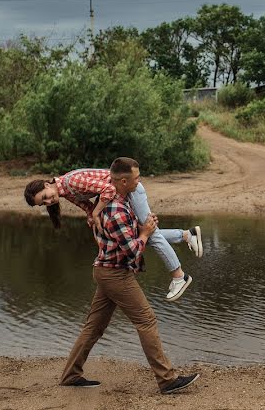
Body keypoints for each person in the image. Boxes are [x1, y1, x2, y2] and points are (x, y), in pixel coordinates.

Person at [59, 157, 199, 394]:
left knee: (94, 327)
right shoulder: (115, 211)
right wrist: (145, 233)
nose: (139, 181)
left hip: (107, 271)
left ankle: (71, 374)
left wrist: (148, 226)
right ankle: (167, 380)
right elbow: (133, 251)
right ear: (123, 181)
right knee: (146, 321)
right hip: (115, 275)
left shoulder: (120, 202)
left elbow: (130, 233)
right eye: (136, 178)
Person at [24, 167, 203, 302]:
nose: (48, 201)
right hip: (123, 194)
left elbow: (108, 190)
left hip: (131, 190)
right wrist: (92, 218)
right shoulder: (64, 190)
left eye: (45, 196)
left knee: (150, 233)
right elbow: (87, 206)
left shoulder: (70, 183)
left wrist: (95, 214)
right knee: (138, 236)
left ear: (47, 184)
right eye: (44, 203)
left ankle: (179, 276)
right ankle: (188, 235)